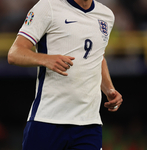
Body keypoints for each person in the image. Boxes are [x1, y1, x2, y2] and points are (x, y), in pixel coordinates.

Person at [8, 0, 123, 149]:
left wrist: (109, 89)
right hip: (47, 120)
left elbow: (96, 56)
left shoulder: (106, 15)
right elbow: (14, 53)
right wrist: (46, 59)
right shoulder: (48, 6)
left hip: (88, 124)